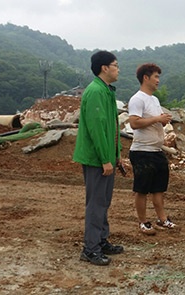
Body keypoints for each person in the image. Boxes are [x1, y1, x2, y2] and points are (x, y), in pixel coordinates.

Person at [73, 50, 124, 266]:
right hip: (96, 159)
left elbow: (112, 127)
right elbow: (97, 129)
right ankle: (90, 248)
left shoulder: (106, 91)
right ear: (105, 68)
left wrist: (117, 155)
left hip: (106, 157)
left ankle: (101, 240)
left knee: (103, 202)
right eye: (115, 65)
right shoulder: (95, 92)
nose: (118, 69)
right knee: (95, 204)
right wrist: (105, 159)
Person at [127, 63, 176, 235]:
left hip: (156, 150)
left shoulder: (154, 100)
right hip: (141, 151)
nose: (158, 80)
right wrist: (157, 119)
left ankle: (162, 219)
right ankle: (143, 222)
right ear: (145, 78)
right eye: (155, 77)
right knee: (142, 189)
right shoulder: (137, 99)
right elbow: (134, 123)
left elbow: (153, 120)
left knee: (159, 188)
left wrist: (162, 121)